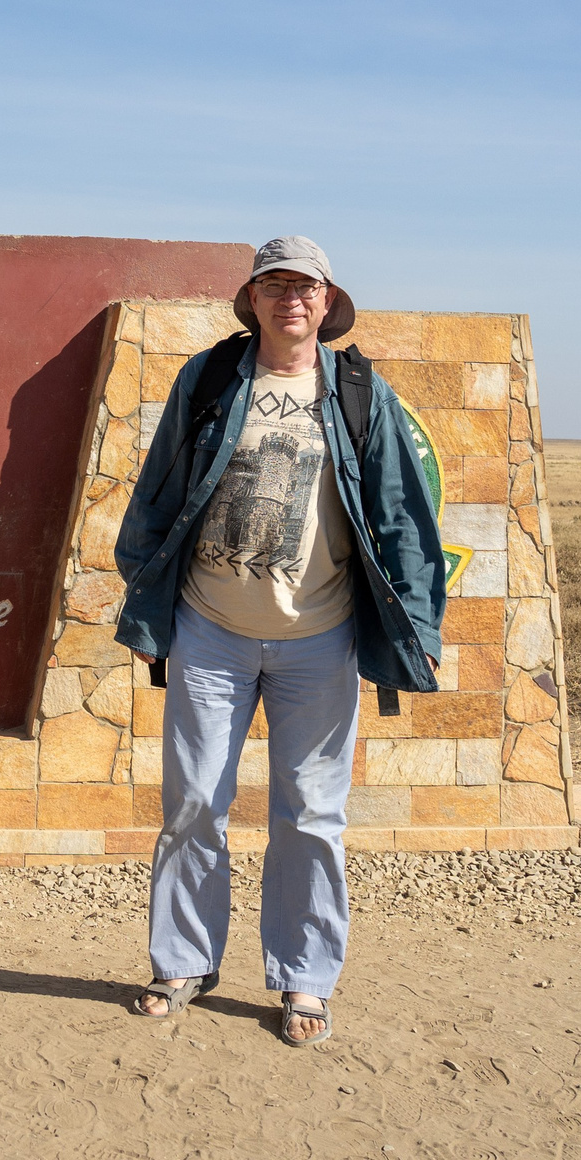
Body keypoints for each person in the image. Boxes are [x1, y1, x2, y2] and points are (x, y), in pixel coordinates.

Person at [113, 236, 449, 1045]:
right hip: (210, 631)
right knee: (193, 805)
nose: (289, 298)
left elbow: (404, 514)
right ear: (252, 299)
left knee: (310, 815)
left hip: (319, 639)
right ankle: (183, 960)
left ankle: (305, 981)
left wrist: (420, 621)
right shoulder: (210, 381)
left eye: (304, 286)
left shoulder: (361, 394)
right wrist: (149, 606)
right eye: (274, 285)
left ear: (327, 302)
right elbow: (155, 497)